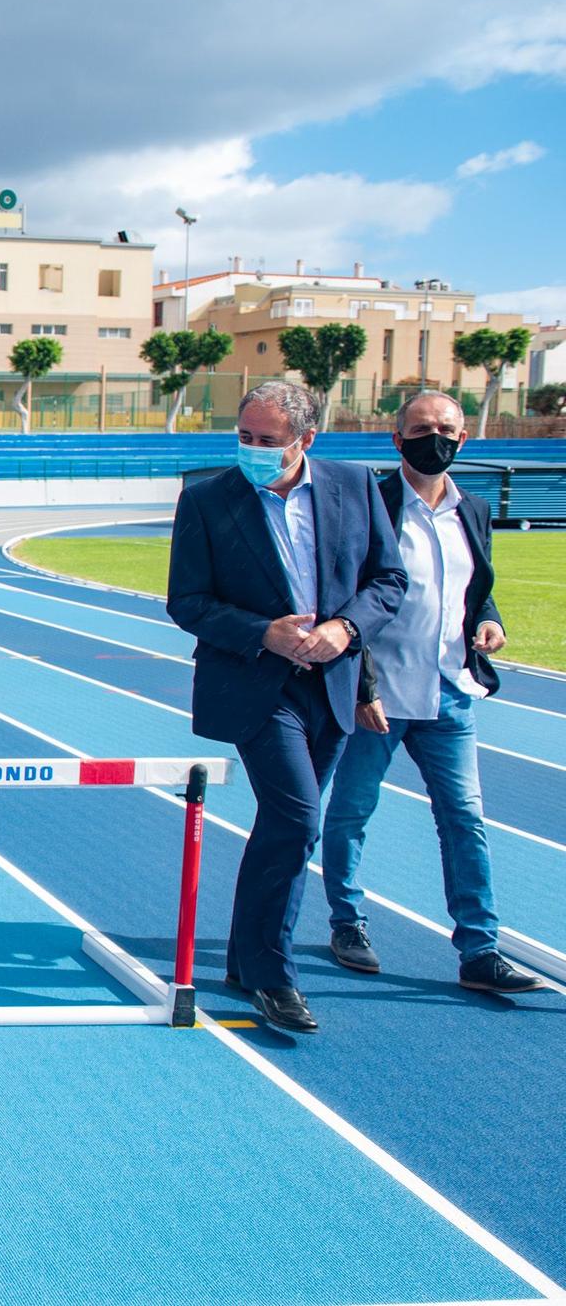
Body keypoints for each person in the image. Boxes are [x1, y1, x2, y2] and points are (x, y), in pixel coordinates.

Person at [166, 380, 405, 1034]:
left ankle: (246, 957)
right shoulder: (208, 499)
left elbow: (389, 581)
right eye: (244, 437)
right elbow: (186, 601)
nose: (252, 450)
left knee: (286, 823)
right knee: (299, 819)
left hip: (329, 683)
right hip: (255, 685)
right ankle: (275, 977)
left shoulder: (354, 488)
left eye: (267, 441)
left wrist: (346, 629)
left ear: (306, 440)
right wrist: (263, 631)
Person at [319, 391, 541, 994]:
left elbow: (475, 590)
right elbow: (346, 602)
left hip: (451, 693)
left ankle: (480, 949)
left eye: (446, 429)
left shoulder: (472, 508)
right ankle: (347, 921)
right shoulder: (372, 506)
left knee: (464, 818)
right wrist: (361, 687)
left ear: (463, 440)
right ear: (397, 439)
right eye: (422, 428)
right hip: (379, 695)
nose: (434, 438)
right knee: (350, 814)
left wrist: (487, 620)